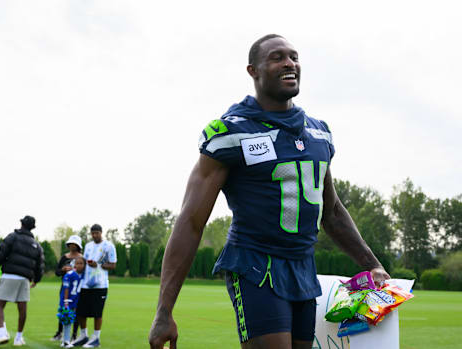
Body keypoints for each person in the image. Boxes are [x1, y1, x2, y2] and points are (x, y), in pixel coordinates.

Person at [149, 34, 390, 349]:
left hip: (304, 269)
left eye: (294, 56)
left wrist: (371, 263)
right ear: (254, 71)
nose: (289, 63)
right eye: (277, 57)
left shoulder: (319, 133)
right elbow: (192, 221)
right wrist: (164, 310)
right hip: (255, 266)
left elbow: (330, 212)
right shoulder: (232, 131)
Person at [0, 215, 44, 347]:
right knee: (22, 308)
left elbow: (1, 253)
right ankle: (19, 338)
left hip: (9, 275)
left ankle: (2, 333)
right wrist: (37, 279)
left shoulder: (12, 237)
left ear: (22, 224)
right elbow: (40, 264)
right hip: (25, 279)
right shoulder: (37, 244)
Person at [72, 224, 116, 348]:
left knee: (97, 313)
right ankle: (83, 336)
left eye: (97, 233)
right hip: (86, 283)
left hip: (100, 285)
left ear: (101, 233)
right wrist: (79, 268)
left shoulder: (109, 246)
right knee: (80, 312)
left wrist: (99, 265)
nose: (95, 235)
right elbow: (84, 262)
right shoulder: (88, 246)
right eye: (93, 233)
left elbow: (113, 265)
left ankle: (96, 338)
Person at [51, 235, 83, 342]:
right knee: (63, 309)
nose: (72, 246)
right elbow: (57, 272)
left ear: (78, 245)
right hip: (65, 288)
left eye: (74, 244)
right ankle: (60, 333)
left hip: (77, 289)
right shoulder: (65, 257)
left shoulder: (82, 258)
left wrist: (75, 270)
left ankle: (74, 334)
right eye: (71, 244)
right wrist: (63, 270)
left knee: (76, 310)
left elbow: (84, 272)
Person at [58, 256, 85, 348]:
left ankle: (65, 340)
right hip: (67, 301)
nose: (79, 265)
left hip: (75, 301)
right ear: (74, 265)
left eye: (81, 263)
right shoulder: (70, 274)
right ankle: (65, 340)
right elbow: (66, 288)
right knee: (67, 320)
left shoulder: (83, 275)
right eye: (77, 263)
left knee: (70, 320)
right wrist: (66, 301)